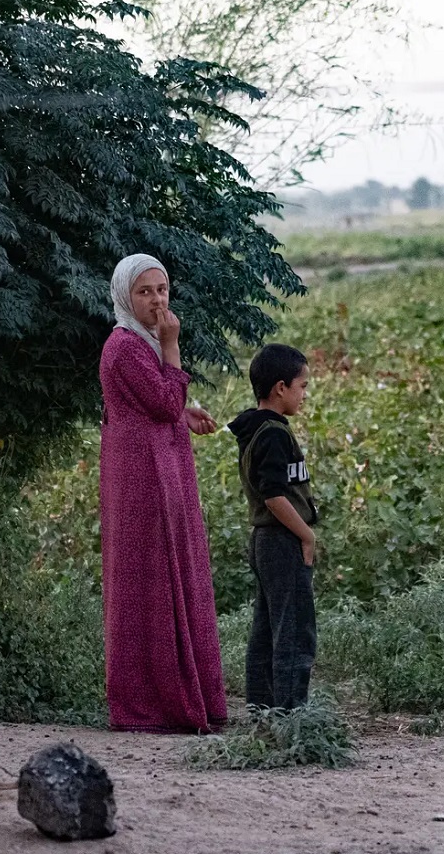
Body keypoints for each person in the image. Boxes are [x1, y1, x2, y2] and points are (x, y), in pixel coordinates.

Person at [99, 254, 227, 733]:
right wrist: (173, 347)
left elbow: (159, 406)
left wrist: (182, 417)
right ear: (125, 298)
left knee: (170, 571)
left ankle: (182, 694)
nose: (156, 300)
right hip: (142, 477)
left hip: (156, 466)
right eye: (145, 292)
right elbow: (166, 398)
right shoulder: (127, 345)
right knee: (150, 578)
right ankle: (152, 702)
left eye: (162, 289)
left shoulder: (141, 344)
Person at [228, 344, 318, 711]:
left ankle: (261, 713)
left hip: (265, 541)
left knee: (267, 631)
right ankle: (291, 716)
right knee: (295, 632)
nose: (305, 393)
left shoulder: (256, 429)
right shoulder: (273, 434)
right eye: (302, 385)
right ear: (281, 387)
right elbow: (274, 496)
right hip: (281, 540)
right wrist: (307, 535)